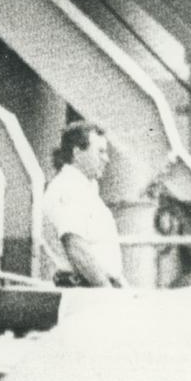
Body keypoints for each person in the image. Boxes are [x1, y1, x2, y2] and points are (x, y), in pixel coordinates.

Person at [43, 121, 125, 288]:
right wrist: (107, 291)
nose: (107, 159)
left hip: (93, 289)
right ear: (77, 153)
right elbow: (76, 247)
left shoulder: (84, 189)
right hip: (82, 291)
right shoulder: (67, 188)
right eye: (100, 152)